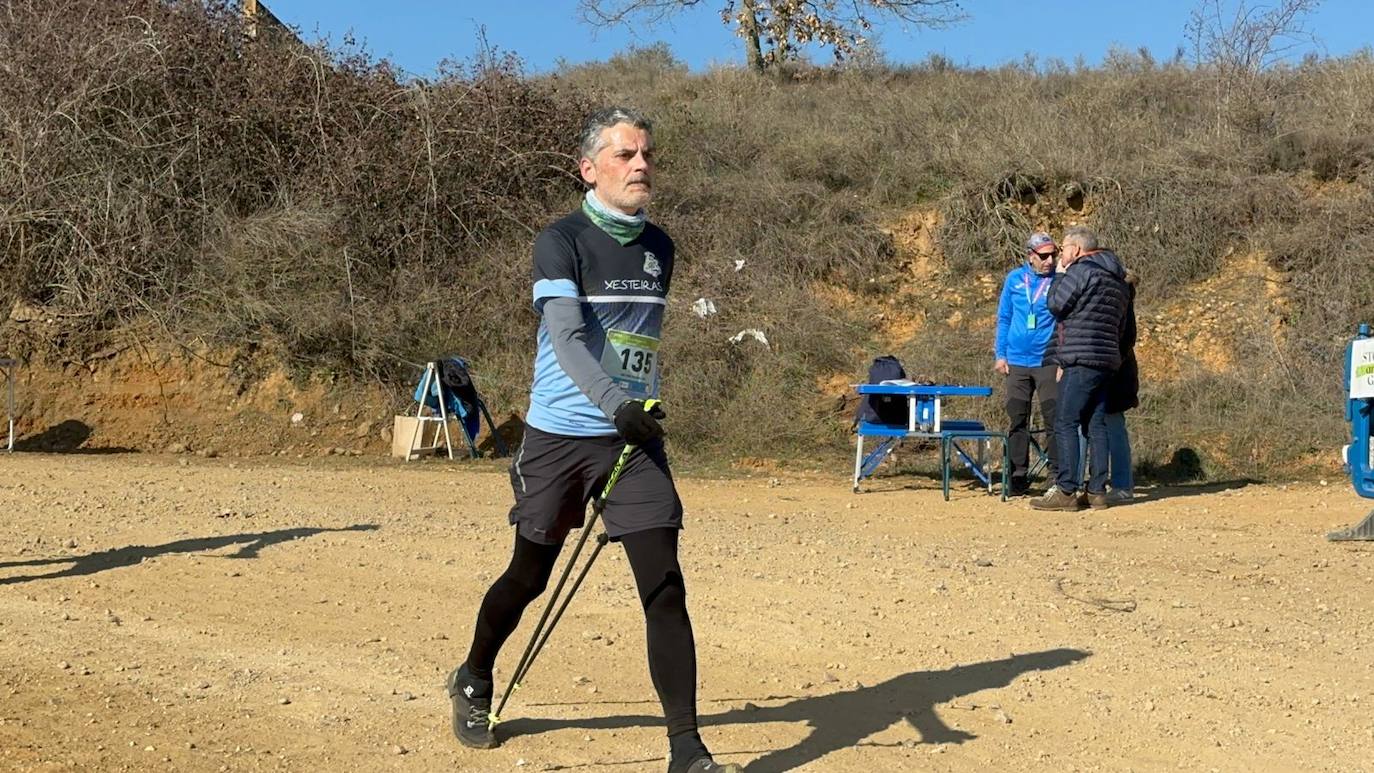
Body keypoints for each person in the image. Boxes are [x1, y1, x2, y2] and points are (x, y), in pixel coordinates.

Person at [446, 107, 741, 773]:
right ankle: (473, 673)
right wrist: (615, 403)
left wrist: (637, 404)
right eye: (625, 155)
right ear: (589, 168)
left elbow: (638, 339)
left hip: (631, 439)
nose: (641, 166)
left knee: (664, 585)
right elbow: (568, 338)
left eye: (647, 155)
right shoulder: (562, 241)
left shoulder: (660, 247)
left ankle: (687, 751)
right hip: (562, 436)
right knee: (530, 575)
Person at [1031, 226, 1129, 511]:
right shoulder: (1117, 278)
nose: (1061, 254)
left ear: (1076, 249)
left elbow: (1056, 304)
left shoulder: (1079, 271)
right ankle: (1097, 490)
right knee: (1095, 423)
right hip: (1107, 359)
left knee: (1065, 421)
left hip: (1080, 356)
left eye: (1064, 248)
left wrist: (1060, 275)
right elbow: (1121, 327)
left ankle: (1066, 489)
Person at [993, 232, 1061, 496]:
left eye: (1053, 254)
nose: (1050, 260)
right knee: (1017, 419)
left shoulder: (1059, 280)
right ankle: (1017, 476)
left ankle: (1056, 475)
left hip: (1047, 360)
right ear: (1031, 256)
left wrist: (1062, 358)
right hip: (1017, 362)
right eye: (1044, 256)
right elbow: (1004, 317)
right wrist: (1001, 354)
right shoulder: (1014, 279)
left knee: (1054, 419)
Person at [1104, 269, 1139, 503]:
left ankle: (1122, 483)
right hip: (1113, 370)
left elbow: (1126, 339)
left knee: (1114, 427)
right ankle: (1113, 482)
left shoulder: (1121, 302)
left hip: (1116, 374)